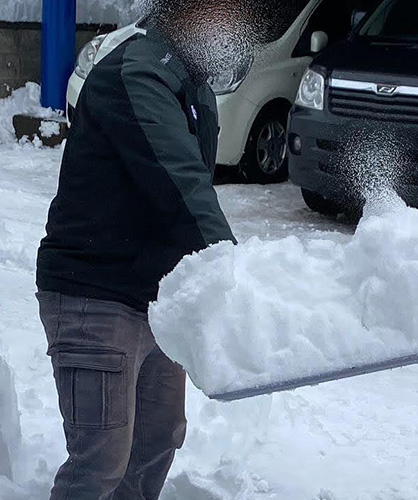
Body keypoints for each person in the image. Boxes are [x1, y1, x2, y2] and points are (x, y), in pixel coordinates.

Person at [32, 0, 267, 497]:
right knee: (100, 463)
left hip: (156, 300)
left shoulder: (193, 84)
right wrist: (240, 281)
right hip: (93, 294)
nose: (233, 25)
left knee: (157, 442)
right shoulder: (138, 76)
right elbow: (182, 185)